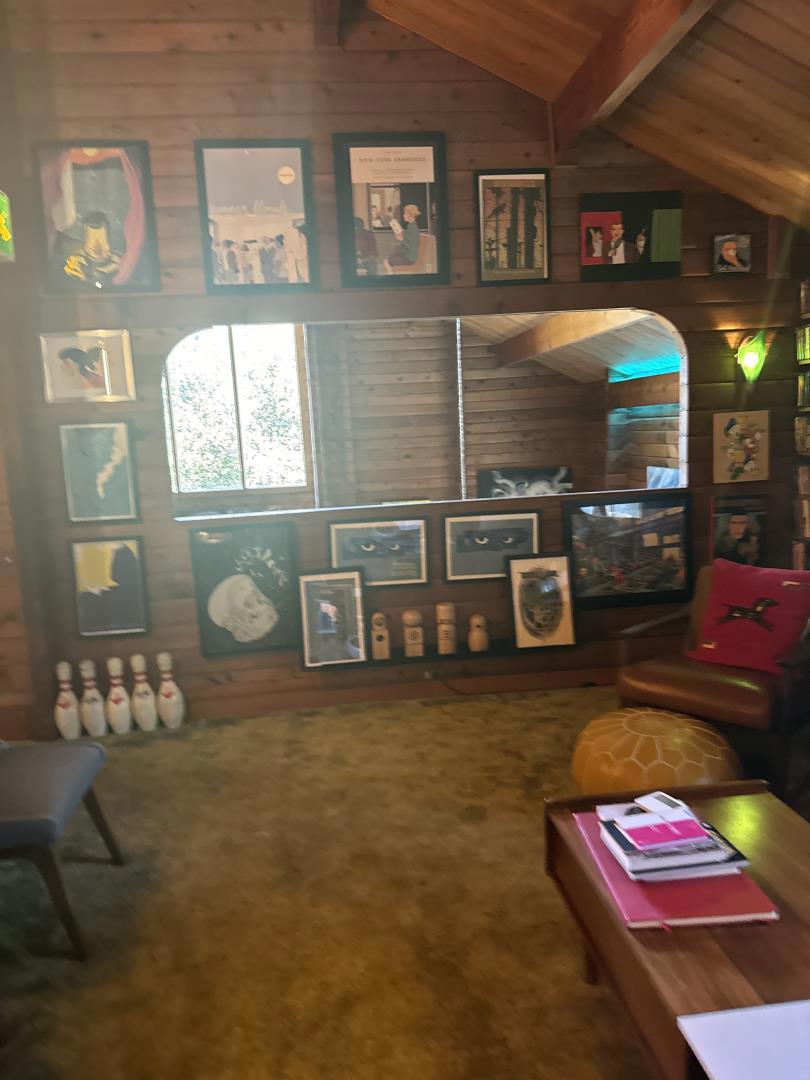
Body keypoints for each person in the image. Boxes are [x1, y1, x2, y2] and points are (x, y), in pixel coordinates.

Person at [384, 204, 421, 273]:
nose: (403, 215)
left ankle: (391, 276)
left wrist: (401, 239)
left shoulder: (413, 228)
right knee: (388, 258)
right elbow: (408, 240)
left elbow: (411, 247)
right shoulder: (411, 226)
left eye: (405, 213)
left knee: (387, 261)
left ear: (410, 215)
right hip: (408, 255)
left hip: (410, 258)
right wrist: (401, 235)